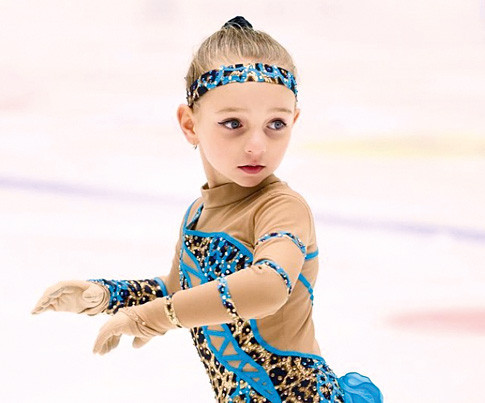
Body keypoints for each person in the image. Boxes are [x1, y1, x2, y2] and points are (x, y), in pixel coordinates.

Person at [32, 16, 383, 403]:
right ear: (190, 124)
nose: (257, 145)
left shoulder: (281, 208)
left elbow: (268, 286)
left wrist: (154, 316)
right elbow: (180, 289)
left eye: (276, 124)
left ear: (294, 120)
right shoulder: (197, 214)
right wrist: (108, 295)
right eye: (233, 123)